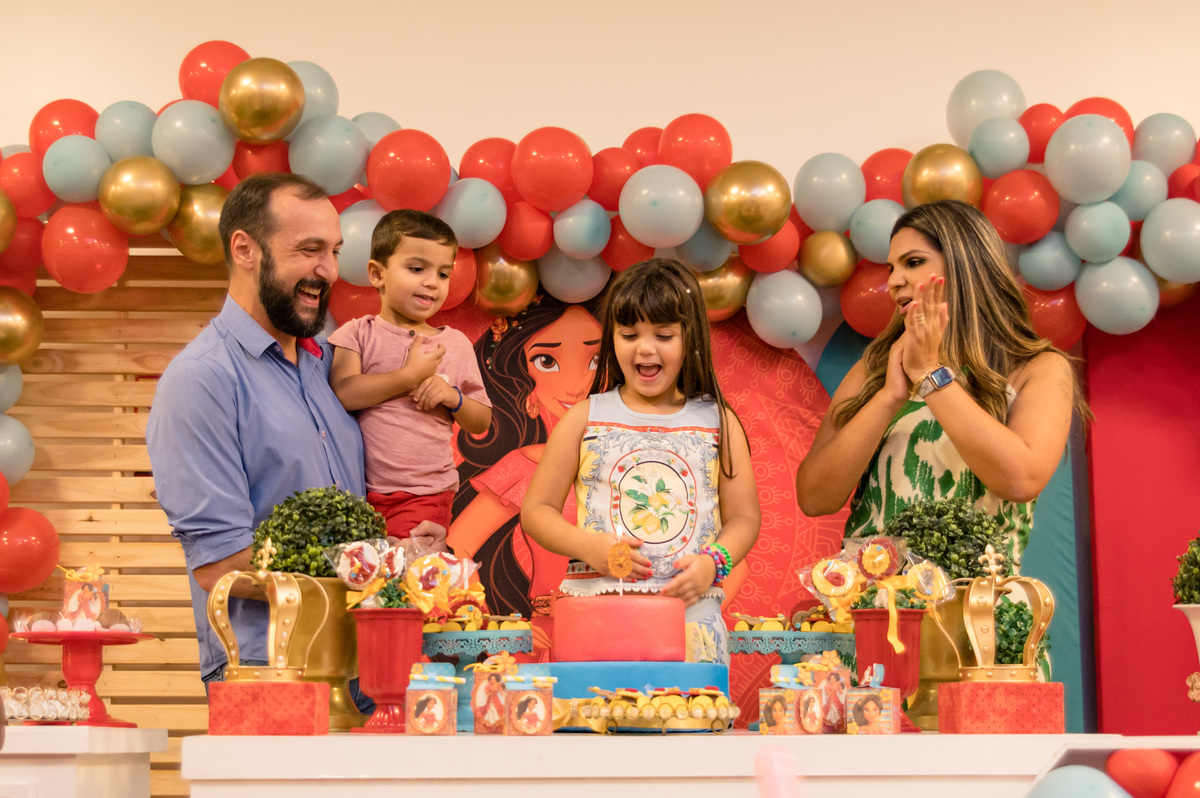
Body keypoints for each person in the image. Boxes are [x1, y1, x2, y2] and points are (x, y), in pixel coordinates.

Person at [146, 172, 366, 689]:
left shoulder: (329, 368)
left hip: (356, 669)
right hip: (264, 675)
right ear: (245, 249)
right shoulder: (202, 379)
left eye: (334, 251)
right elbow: (221, 567)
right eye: (309, 249)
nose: (328, 270)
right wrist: (374, 568)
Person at [795, 199, 1089, 567]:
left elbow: (1022, 479)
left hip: (977, 611)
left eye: (913, 262)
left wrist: (931, 376)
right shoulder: (874, 368)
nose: (893, 281)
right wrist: (889, 396)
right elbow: (814, 498)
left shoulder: (1038, 367)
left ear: (966, 266)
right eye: (891, 268)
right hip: (872, 609)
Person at [520, 258, 761, 665]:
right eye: (629, 334)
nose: (645, 348)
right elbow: (536, 511)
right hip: (598, 615)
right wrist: (590, 547)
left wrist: (713, 564)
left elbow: (745, 517)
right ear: (611, 339)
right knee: (597, 718)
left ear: (692, 339)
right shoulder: (584, 417)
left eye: (663, 335)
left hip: (692, 621)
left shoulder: (720, 422)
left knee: (689, 718)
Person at [327, 210, 491, 543]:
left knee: (405, 581)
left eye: (443, 273)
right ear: (377, 273)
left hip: (425, 494)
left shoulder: (453, 344)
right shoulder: (357, 334)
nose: (432, 282)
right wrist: (409, 376)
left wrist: (452, 396)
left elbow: (481, 420)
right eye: (417, 269)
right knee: (366, 583)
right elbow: (344, 393)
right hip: (358, 492)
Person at [447, 293, 603, 633]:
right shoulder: (525, 466)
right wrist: (488, 621)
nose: (577, 383)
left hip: (632, 632)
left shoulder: (633, 457)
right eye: (547, 360)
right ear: (524, 379)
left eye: (594, 359)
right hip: (552, 634)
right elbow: (458, 546)